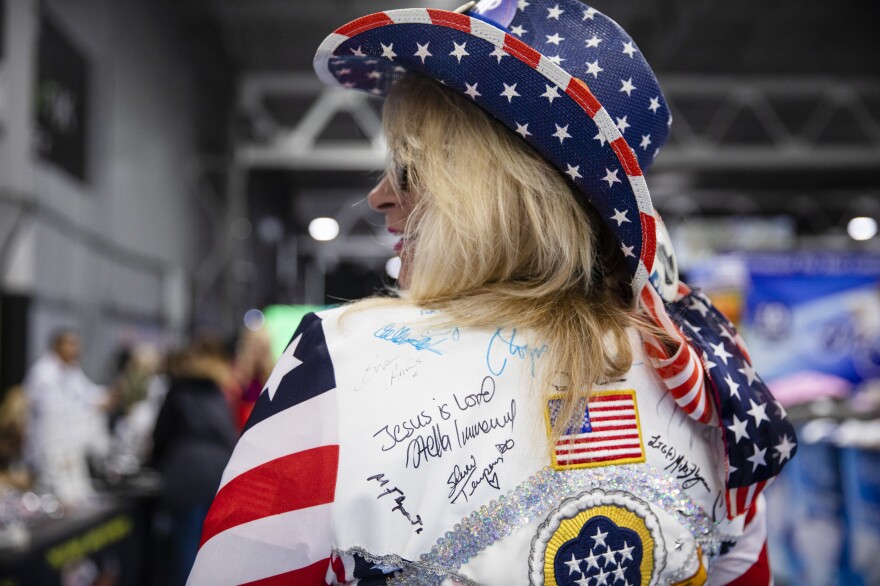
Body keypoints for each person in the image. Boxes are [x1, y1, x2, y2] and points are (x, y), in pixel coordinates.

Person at [190, 1, 797, 584]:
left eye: (408, 170)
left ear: (494, 193)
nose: (380, 196)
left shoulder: (340, 361)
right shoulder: (712, 381)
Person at [151, 338, 240, 586]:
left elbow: (160, 435)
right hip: (219, 475)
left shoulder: (178, 391)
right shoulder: (219, 393)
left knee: (186, 549)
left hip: (187, 476)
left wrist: (157, 463)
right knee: (210, 548)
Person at [22, 328, 110, 505]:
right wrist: (91, 406)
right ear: (57, 345)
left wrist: (109, 396)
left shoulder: (72, 371)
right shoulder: (43, 373)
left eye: (77, 345)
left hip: (70, 449)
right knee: (51, 497)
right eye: (71, 344)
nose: (76, 349)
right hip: (49, 447)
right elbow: (57, 410)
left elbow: (90, 394)